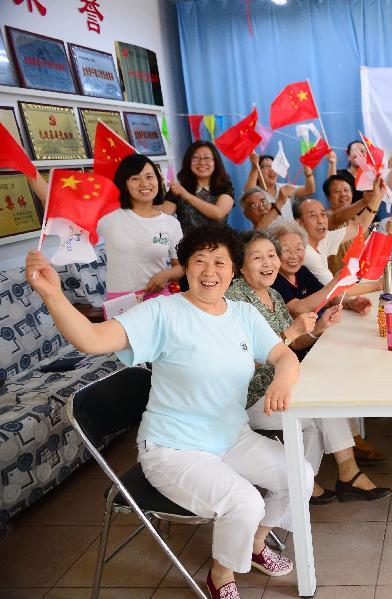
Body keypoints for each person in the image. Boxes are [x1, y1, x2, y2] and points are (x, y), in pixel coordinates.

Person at [25, 223, 307, 598]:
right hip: (174, 450)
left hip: (231, 437)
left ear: (234, 269)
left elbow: (285, 355)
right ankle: (221, 575)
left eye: (219, 262)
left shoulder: (243, 314)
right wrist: (53, 296)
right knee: (245, 501)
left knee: (299, 473)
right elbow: (92, 339)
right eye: (199, 261)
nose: (209, 272)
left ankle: (255, 543)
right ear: (185, 267)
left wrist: (282, 380)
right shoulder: (162, 312)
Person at [226, 230, 392, 503]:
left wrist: (319, 328)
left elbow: (293, 345)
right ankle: (324, 480)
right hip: (252, 394)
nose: (268, 263)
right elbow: (245, 357)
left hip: (281, 380)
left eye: (271, 255)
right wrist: (291, 332)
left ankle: (307, 482)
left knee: (320, 407)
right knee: (319, 409)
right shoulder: (236, 299)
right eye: (257, 257)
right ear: (240, 266)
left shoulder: (273, 295)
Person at [271, 223, 388, 463]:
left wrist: (350, 303)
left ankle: (354, 439)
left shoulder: (301, 271)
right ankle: (349, 454)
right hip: (297, 352)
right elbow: (300, 308)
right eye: (286, 250)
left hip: (314, 341)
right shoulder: (276, 281)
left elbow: (329, 296)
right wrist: (336, 281)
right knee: (335, 374)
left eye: (298, 248)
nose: (294, 255)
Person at [27, 154, 184, 301]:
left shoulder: (171, 224)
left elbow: (181, 267)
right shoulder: (110, 216)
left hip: (158, 300)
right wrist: (27, 167)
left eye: (149, 177)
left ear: (158, 179)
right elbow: (56, 200)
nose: (144, 183)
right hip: (122, 303)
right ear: (125, 184)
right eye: (135, 178)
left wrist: (167, 274)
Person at [293, 179, 385, 308]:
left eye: (323, 214)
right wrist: (378, 285)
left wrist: (377, 198)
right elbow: (336, 289)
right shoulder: (305, 253)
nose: (321, 221)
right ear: (299, 223)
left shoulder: (322, 238)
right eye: (313, 216)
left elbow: (357, 227)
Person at [163, 141, 235, 234]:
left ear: (215, 162)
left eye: (207, 158)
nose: (202, 162)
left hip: (219, 245)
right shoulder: (178, 190)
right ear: (189, 162)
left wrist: (186, 195)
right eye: (196, 158)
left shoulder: (224, 188)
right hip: (188, 246)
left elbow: (218, 213)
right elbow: (163, 216)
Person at [244, 151, 312, 222]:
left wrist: (308, 171)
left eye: (273, 166)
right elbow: (248, 195)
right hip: (269, 233)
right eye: (265, 166)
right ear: (257, 174)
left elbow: (309, 189)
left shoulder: (285, 187)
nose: (271, 169)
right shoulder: (256, 193)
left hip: (292, 231)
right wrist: (254, 167)